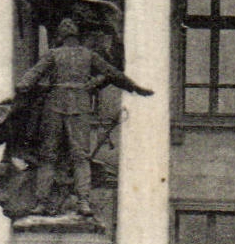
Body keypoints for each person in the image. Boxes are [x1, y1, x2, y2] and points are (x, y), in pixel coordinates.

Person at [15, 18, 152, 218]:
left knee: (48, 156)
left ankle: (42, 202)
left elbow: (30, 77)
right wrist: (135, 88)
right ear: (77, 36)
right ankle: (83, 201)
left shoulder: (53, 54)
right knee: (81, 157)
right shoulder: (89, 55)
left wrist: (22, 89)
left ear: (61, 37)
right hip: (80, 106)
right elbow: (113, 73)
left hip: (54, 105)